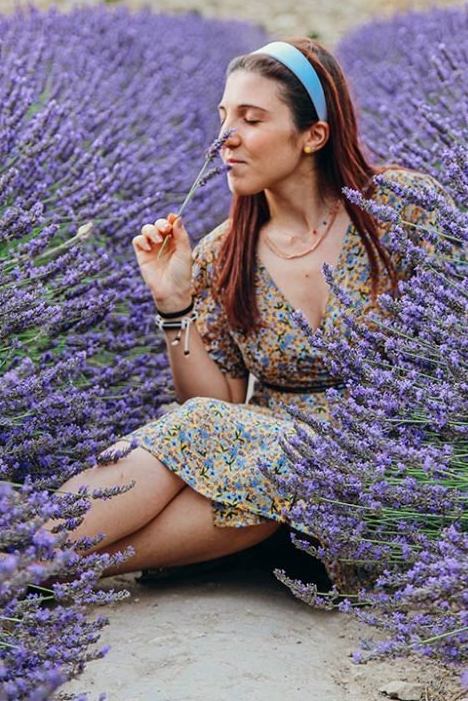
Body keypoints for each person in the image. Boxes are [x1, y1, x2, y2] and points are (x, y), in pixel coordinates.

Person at [56, 38, 435, 578]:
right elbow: (217, 404)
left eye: (250, 119)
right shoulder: (221, 252)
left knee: (283, 460)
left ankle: (31, 563)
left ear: (313, 135)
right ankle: (26, 561)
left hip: (390, 451)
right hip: (273, 467)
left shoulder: (400, 210)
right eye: (223, 118)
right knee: (243, 446)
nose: (225, 139)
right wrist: (174, 303)